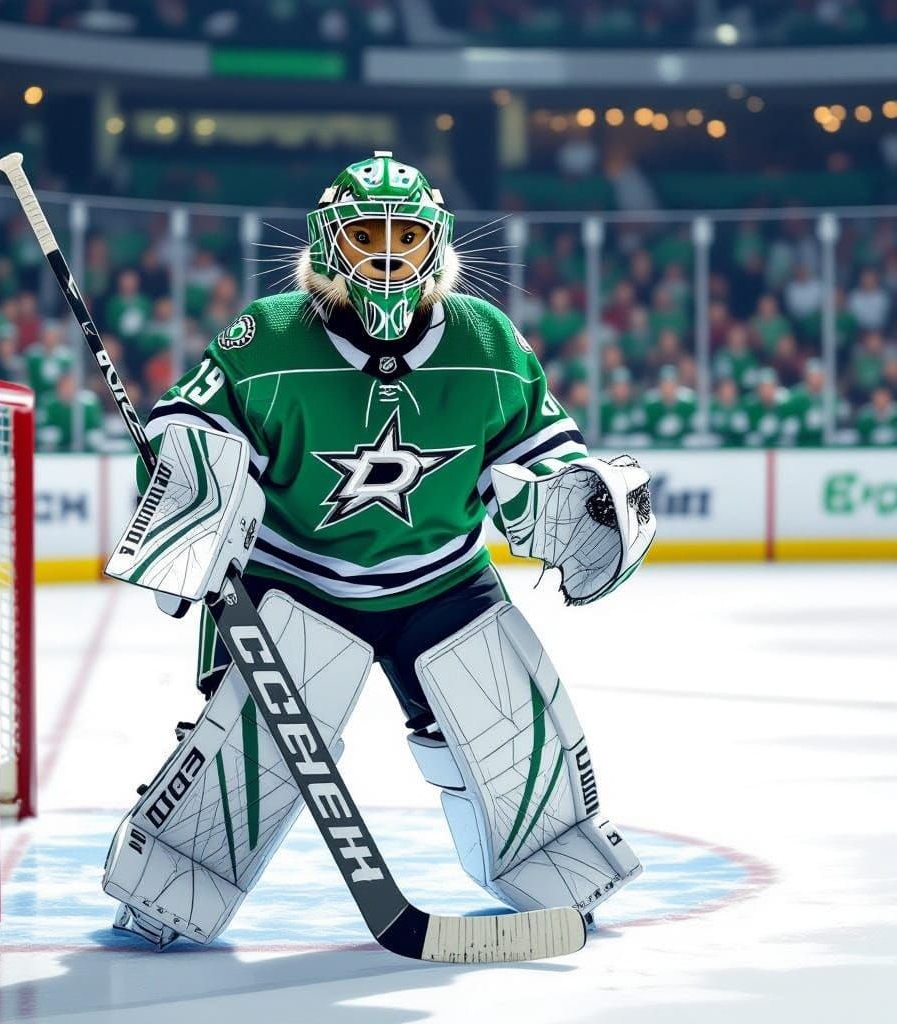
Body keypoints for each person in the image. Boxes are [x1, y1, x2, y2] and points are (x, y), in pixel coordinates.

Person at [101, 153, 656, 950]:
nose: (388, 254)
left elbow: (543, 442)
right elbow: (193, 422)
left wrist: (572, 494)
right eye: (368, 234)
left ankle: (550, 856)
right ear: (331, 245)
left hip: (445, 579)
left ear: (438, 245)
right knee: (249, 747)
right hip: (297, 581)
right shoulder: (268, 335)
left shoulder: (486, 338)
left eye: (405, 234)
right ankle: (175, 871)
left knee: (506, 726)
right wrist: (193, 482)